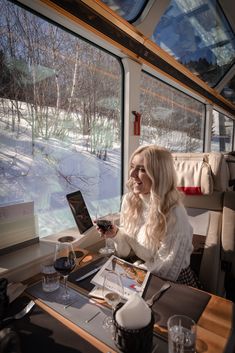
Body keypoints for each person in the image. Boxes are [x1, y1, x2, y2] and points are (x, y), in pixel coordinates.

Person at [96, 144, 201, 288]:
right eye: (132, 166)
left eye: (142, 169)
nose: (132, 174)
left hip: (172, 282)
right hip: (143, 272)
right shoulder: (130, 200)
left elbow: (166, 268)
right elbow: (127, 251)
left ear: (159, 175)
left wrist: (131, 274)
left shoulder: (175, 214)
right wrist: (115, 234)